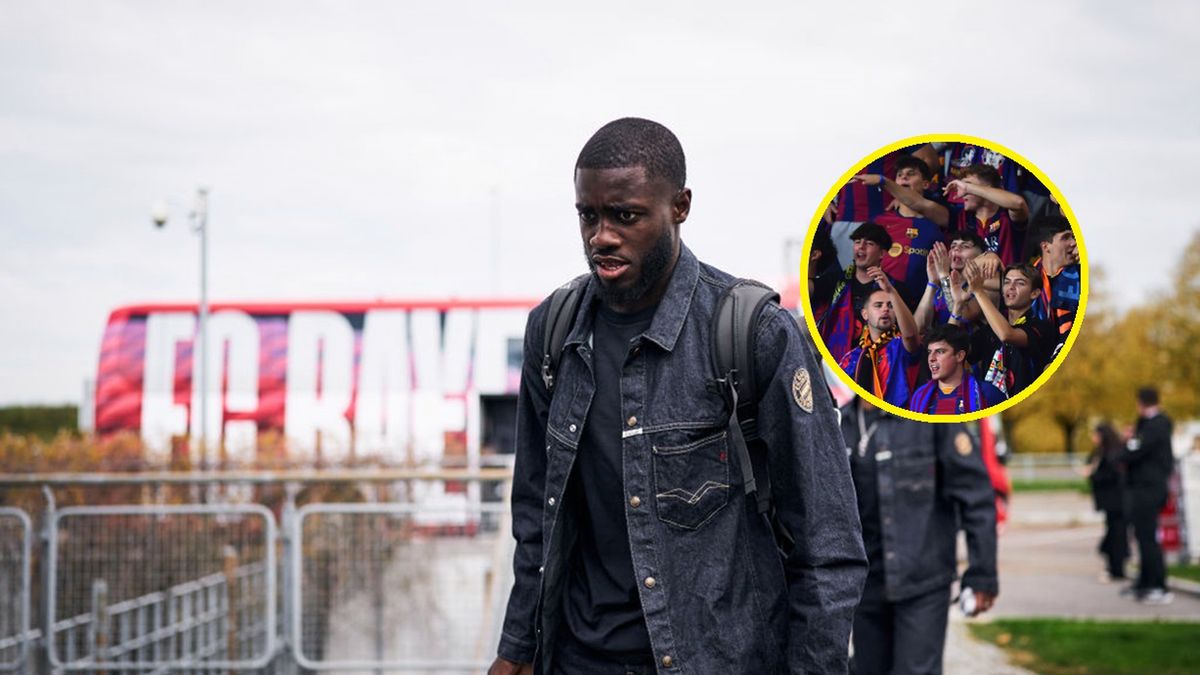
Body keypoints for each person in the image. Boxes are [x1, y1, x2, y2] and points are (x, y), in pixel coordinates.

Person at [490, 118, 867, 675]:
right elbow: (536, 515)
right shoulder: (553, 330)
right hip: (574, 659)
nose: (602, 236)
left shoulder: (753, 332)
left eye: (626, 215)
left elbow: (828, 545)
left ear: (680, 206)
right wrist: (517, 647)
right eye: (588, 215)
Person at [841, 397, 998, 674]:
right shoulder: (840, 422)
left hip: (923, 580)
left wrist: (982, 574)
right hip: (866, 586)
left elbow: (976, 495)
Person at [849, 156, 949, 299]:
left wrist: (882, 181)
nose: (904, 178)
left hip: (922, 306)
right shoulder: (878, 222)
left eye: (911, 174)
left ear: (926, 184)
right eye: (900, 175)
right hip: (882, 305)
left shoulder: (937, 224)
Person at [812, 222, 912, 363]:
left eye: (869, 243)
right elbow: (807, 289)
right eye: (857, 242)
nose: (861, 246)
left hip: (880, 363)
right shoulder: (835, 280)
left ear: (882, 253)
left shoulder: (896, 290)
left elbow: (911, 333)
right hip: (835, 362)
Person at [960, 262, 1054, 399]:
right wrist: (957, 305)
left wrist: (979, 291)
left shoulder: (1042, 326)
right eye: (1007, 282)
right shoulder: (991, 328)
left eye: (1020, 283)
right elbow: (957, 351)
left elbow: (1006, 335)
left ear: (1034, 293)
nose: (1011, 287)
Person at [1120, 387, 1176, 604]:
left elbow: (1137, 449)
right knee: (1142, 538)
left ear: (1141, 402)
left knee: (1149, 539)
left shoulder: (1157, 424)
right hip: (1141, 487)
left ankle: (1157, 585)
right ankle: (1144, 582)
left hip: (1149, 488)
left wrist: (1127, 450)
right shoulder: (1147, 424)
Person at [838, 272, 921, 408]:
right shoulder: (851, 358)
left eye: (890, 306)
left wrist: (892, 292)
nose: (885, 310)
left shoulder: (900, 346)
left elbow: (911, 336)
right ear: (865, 314)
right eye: (878, 305)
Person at [907, 324, 1005, 415]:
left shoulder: (988, 394)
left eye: (940, 351)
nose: (931, 358)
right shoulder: (919, 396)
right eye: (929, 352)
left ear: (959, 356)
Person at [944, 164, 1030, 266]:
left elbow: (1019, 203)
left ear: (988, 188)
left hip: (1005, 280)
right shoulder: (961, 216)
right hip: (968, 280)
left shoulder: (1007, 215)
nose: (963, 192)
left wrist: (968, 188)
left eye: (969, 185)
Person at [1029, 215, 1081, 355]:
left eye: (1073, 237)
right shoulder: (1025, 279)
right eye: (1066, 238)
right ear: (1046, 246)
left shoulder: (1082, 276)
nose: (1074, 243)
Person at [1086, 422, 1128, 582]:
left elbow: (1112, 476)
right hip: (1111, 501)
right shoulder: (1103, 452)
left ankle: (1117, 569)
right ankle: (1114, 566)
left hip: (1115, 501)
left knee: (1117, 535)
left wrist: (1093, 475)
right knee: (1114, 533)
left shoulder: (1112, 453)